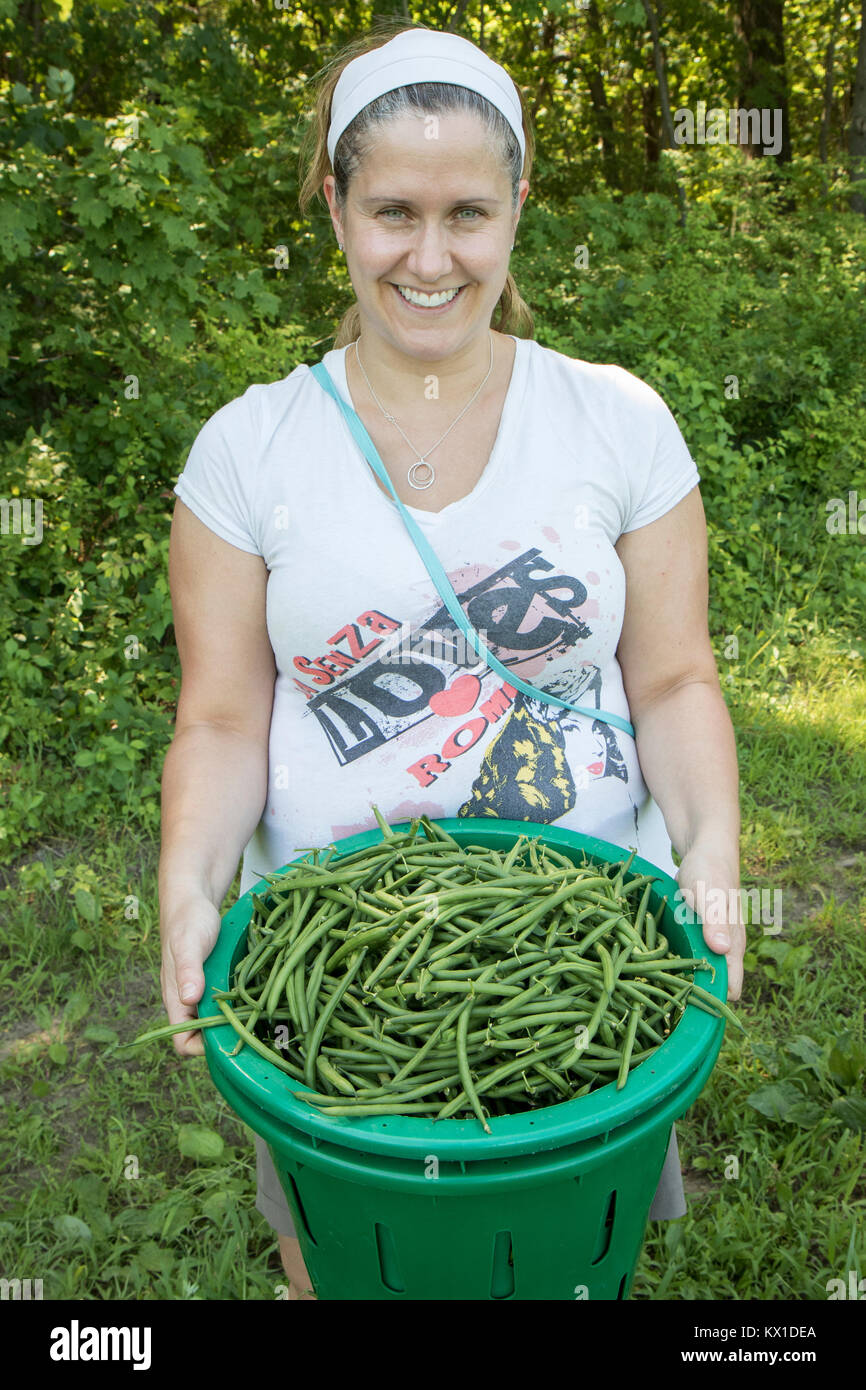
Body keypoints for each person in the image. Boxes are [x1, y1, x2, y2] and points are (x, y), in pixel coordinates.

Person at [159, 21, 744, 1302]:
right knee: (349, 1259)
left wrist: (705, 852)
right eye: (391, 212)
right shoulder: (247, 453)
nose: (430, 258)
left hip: (587, 938)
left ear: (520, 202)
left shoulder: (614, 419)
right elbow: (216, 719)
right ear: (333, 205)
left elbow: (673, 680)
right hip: (333, 984)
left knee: (559, 1257)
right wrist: (192, 881)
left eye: (469, 212)